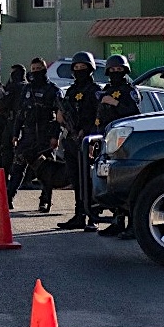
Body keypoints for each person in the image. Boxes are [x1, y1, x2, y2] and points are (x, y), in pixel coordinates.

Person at [94, 54, 141, 239]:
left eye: (119, 70)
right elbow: (99, 116)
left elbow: (134, 113)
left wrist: (114, 102)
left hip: (124, 142)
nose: (115, 73)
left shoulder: (130, 91)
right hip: (106, 141)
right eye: (112, 70)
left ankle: (132, 225)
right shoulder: (105, 89)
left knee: (126, 184)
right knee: (111, 184)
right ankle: (117, 221)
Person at [6, 58, 61, 212]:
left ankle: (45, 201)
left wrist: (55, 136)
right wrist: (15, 133)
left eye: (39, 68)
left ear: (44, 69)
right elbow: (20, 114)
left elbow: (59, 117)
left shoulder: (53, 90)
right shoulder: (27, 90)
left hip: (46, 136)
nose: (36, 71)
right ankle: (8, 198)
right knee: (17, 168)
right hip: (28, 135)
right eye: (33, 69)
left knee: (47, 173)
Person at [57, 51, 103, 231]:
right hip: (71, 140)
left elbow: (99, 116)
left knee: (89, 180)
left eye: (83, 68)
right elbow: (63, 115)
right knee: (76, 180)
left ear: (90, 69)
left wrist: (89, 134)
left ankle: (93, 216)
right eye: (76, 68)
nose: (79, 71)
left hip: (88, 141)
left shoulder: (95, 91)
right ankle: (79, 214)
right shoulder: (71, 91)